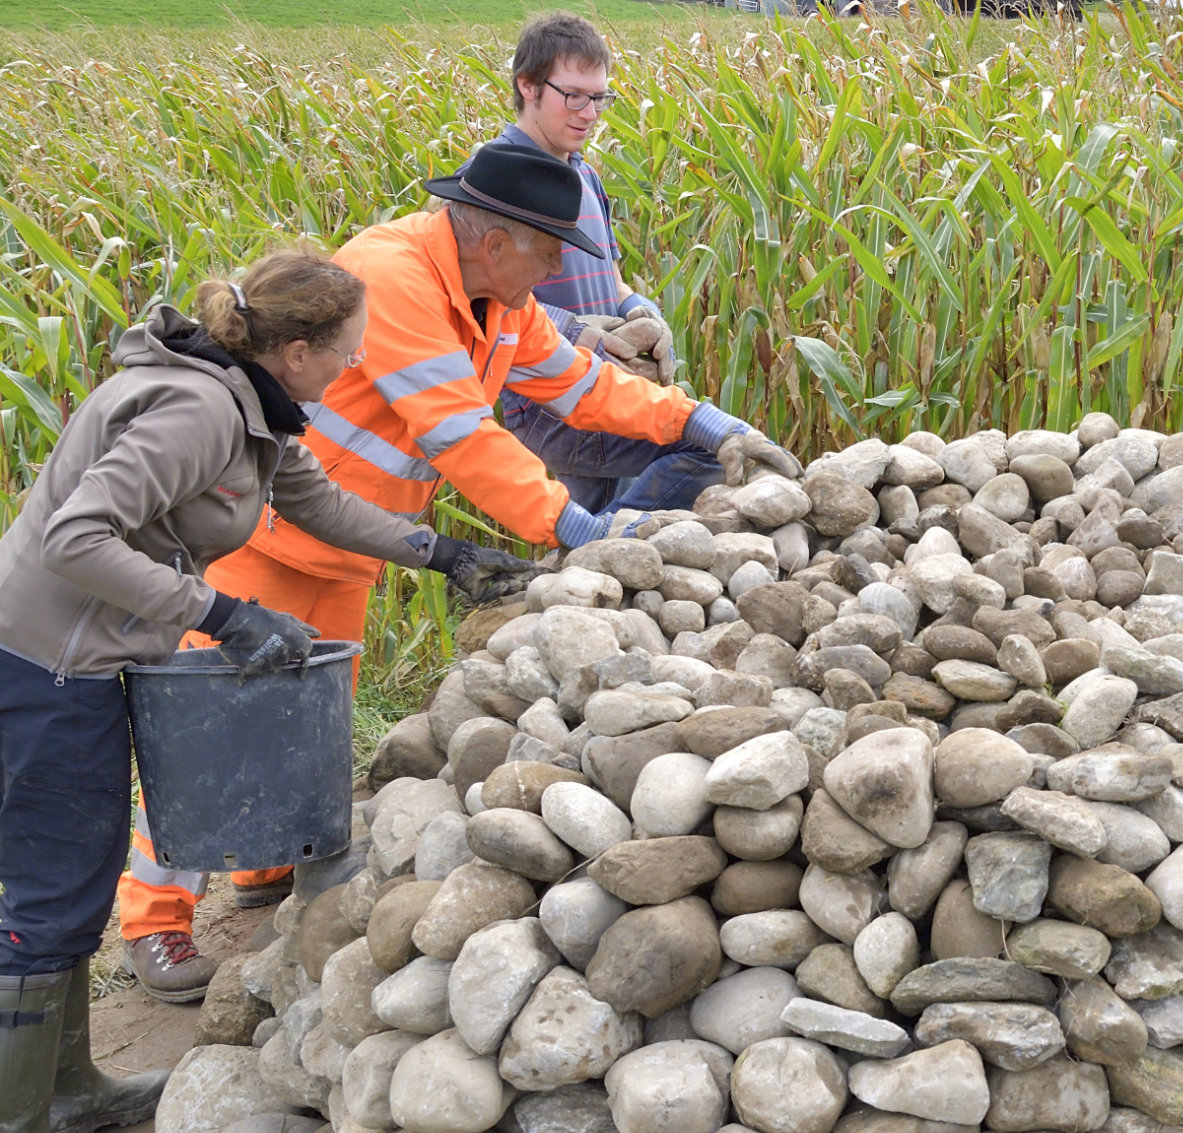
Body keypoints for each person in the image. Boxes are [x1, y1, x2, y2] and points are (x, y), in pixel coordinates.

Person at [115, 141, 800, 1000]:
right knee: (217, 718)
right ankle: (153, 919)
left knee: (314, 705)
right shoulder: (392, 280)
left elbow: (581, 382)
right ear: (497, 237)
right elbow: (460, 435)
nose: (558, 270)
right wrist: (575, 525)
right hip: (269, 531)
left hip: (355, 539)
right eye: (551, 250)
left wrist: (700, 421)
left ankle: (264, 862)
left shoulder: (500, 300)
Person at [0, 248, 532, 1133]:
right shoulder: (197, 411)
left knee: (74, 876)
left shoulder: (251, 406)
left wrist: (440, 550)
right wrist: (222, 611)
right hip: (40, 663)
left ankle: (69, 1092)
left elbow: (316, 502)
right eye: (346, 355)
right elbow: (75, 535)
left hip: (83, 658)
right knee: (48, 890)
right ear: (294, 350)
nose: (351, 370)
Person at [484, 11, 723, 515]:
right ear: (527, 86)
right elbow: (477, 303)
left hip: (609, 387)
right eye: (573, 96)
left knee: (583, 529)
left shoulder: (584, 175)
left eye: (599, 97)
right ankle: (610, 545)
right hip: (552, 404)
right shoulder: (494, 180)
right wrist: (581, 333)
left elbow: (609, 279)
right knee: (709, 448)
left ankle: (586, 558)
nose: (589, 112)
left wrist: (640, 311)